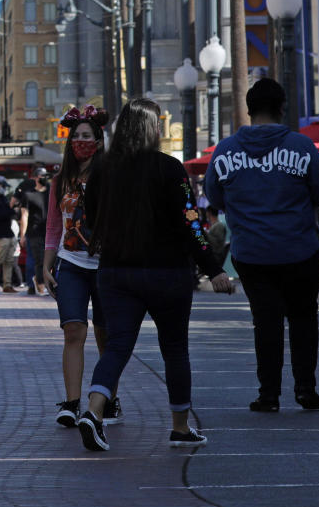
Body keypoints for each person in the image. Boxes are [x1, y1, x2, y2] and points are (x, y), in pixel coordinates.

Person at [76, 98, 234, 452]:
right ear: (153, 129)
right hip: (167, 274)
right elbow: (191, 225)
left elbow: (90, 218)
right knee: (175, 349)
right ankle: (180, 427)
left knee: (117, 347)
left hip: (116, 272)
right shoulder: (170, 169)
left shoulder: (102, 169)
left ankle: (93, 411)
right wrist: (214, 270)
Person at [203, 78, 319, 413]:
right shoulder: (302, 147)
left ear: (248, 110)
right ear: (282, 108)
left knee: (265, 321)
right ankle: (306, 389)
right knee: (304, 318)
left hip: (251, 253)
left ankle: (269, 394)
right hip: (299, 249)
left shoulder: (226, 150)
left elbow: (214, 197)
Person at [43, 106, 113, 430]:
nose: (81, 141)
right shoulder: (61, 180)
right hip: (70, 263)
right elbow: (53, 228)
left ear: (98, 140)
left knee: (105, 334)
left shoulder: (110, 174)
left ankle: (105, 398)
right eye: (77, 136)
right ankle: (71, 403)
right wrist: (46, 265)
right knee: (74, 331)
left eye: (87, 136)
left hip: (106, 265)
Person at [17, 167, 51, 294]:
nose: (45, 179)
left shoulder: (51, 193)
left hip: (49, 232)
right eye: (42, 176)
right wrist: (22, 235)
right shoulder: (28, 195)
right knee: (39, 259)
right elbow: (24, 216)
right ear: (36, 178)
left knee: (50, 260)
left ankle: (40, 280)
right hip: (34, 232)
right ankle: (40, 285)